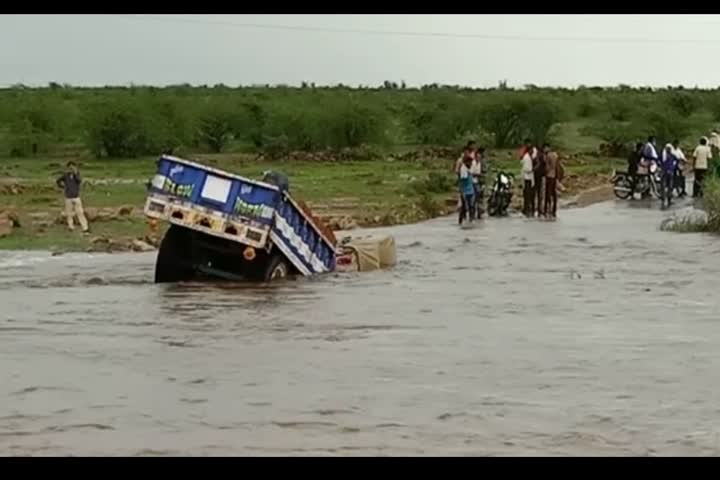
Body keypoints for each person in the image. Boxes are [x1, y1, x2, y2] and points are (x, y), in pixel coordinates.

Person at [56, 161, 89, 233]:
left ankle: (85, 227)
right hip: (68, 197)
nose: (71, 169)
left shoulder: (77, 175)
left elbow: (79, 180)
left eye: (72, 167)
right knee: (69, 213)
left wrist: (75, 173)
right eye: (70, 167)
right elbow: (58, 181)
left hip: (76, 196)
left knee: (80, 212)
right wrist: (62, 187)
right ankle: (70, 226)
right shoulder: (65, 175)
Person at [458, 155, 476, 225]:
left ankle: (471, 219)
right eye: (470, 162)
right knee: (464, 206)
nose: (471, 163)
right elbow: (463, 179)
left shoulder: (469, 168)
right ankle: (462, 220)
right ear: (467, 162)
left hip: (471, 190)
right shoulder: (463, 168)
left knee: (471, 205)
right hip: (465, 191)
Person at [543, 144, 559, 218]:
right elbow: (557, 166)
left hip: (549, 176)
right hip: (554, 176)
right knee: (554, 192)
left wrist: (545, 173)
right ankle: (554, 210)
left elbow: (547, 167)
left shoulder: (548, 156)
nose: (544, 149)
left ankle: (547, 209)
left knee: (548, 193)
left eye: (545, 148)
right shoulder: (555, 155)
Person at [660, 144, 679, 209]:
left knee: (668, 186)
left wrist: (673, 167)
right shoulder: (664, 156)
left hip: (668, 172)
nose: (669, 150)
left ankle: (667, 199)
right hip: (666, 172)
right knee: (666, 186)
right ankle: (665, 199)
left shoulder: (670, 156)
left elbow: (677, 160)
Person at [520, 143, 535, 217]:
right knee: (527, 195)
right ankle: (526, 209)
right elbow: (526, 169)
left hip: (528, 178)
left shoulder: (528, 157)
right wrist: (532, 169)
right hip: (527, 178)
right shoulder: (526, 157)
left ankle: (527, 208)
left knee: (528, 194)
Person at [470, 147, 484, 218]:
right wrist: (478, 175)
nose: (479, 158)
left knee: (479, 196)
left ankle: (479, 211)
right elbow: (471, 173)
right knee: (475, 197)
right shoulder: (473, 163)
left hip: (478, 181)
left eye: (480, 157)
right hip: (473, 181)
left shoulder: (479, 163)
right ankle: (472, 211)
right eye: (478, 156)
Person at [533, 144, 546, 217]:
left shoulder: (537, 157)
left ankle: (539, 208)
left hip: (537, 177)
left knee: (538, 193)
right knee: (540, 194)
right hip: (540, 177)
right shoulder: (540, 157)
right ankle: (539, 208)